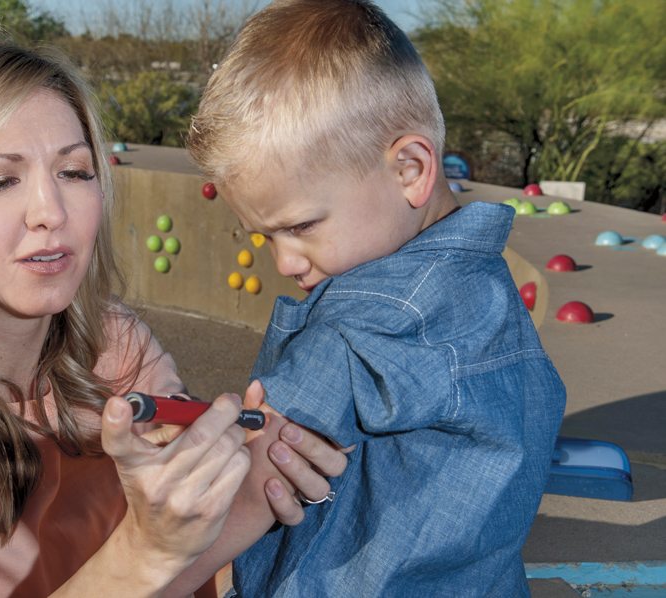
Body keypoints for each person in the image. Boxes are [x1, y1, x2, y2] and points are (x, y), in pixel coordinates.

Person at [0, 37, 347, 597]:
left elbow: (184, 572)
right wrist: (149, 548)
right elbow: (161, 561)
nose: (50, 213)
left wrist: (266, 475)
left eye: (75, 172)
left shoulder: (115, 344)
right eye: (0, 181)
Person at [187, 1, 567, 595]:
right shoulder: (483, 287)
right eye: (266, 236)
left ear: (411, 169)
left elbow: (243, 500)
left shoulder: (359, 333)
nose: (284, 262)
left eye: (302, 227)